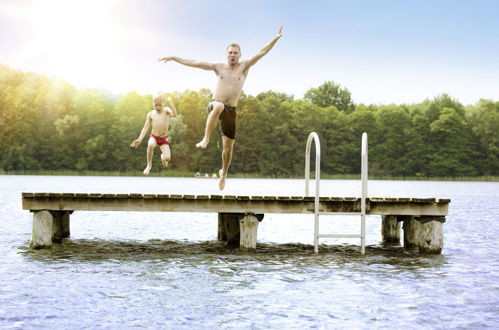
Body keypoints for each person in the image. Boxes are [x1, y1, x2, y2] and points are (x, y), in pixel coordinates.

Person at [159, 25, 283, 190]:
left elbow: (261, 52)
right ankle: (206, 139)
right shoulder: (218, 67)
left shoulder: (244, 66)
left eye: (235, 52)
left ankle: (223, 173)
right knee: (218, 105)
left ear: (240, 55)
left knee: (228, 148)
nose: (232, 55)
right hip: (215, 105)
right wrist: (174, 57)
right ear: (226, 54)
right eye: (230, 52)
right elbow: (195, 63)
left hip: (231, 111)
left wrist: (275, 38)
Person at [130, 94, 177, 175]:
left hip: (163, 138)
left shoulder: (166, 110)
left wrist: (171, 104)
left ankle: (163, 157)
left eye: (160, 105)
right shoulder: (151, 114)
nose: (158, 107)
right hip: (154, 137)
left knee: (167, 158)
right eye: (156, 105)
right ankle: (149, 165)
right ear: (153, 104)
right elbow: (145, 127)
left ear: (164, 104)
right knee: (151, 144)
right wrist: (139, 139)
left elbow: (175, 114)